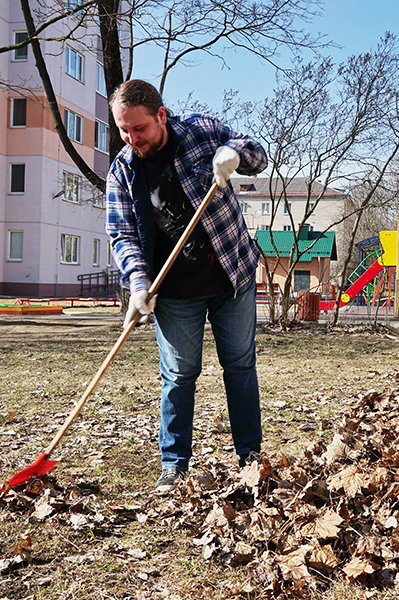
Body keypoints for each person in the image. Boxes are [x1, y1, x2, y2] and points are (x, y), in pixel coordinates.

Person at [105, 79, 267, 491]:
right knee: (178, 375)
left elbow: (256, 153)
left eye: (138, 128)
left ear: (161, 115)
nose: (131, 138)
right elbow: (121, 235)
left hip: (232, 274)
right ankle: (174, 465)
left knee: (240, 365)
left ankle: (250, 456)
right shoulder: (122, 171)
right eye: (123, 130)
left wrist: (234, 154)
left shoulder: (200, 132)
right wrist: (138, 284)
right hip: (175, 292)